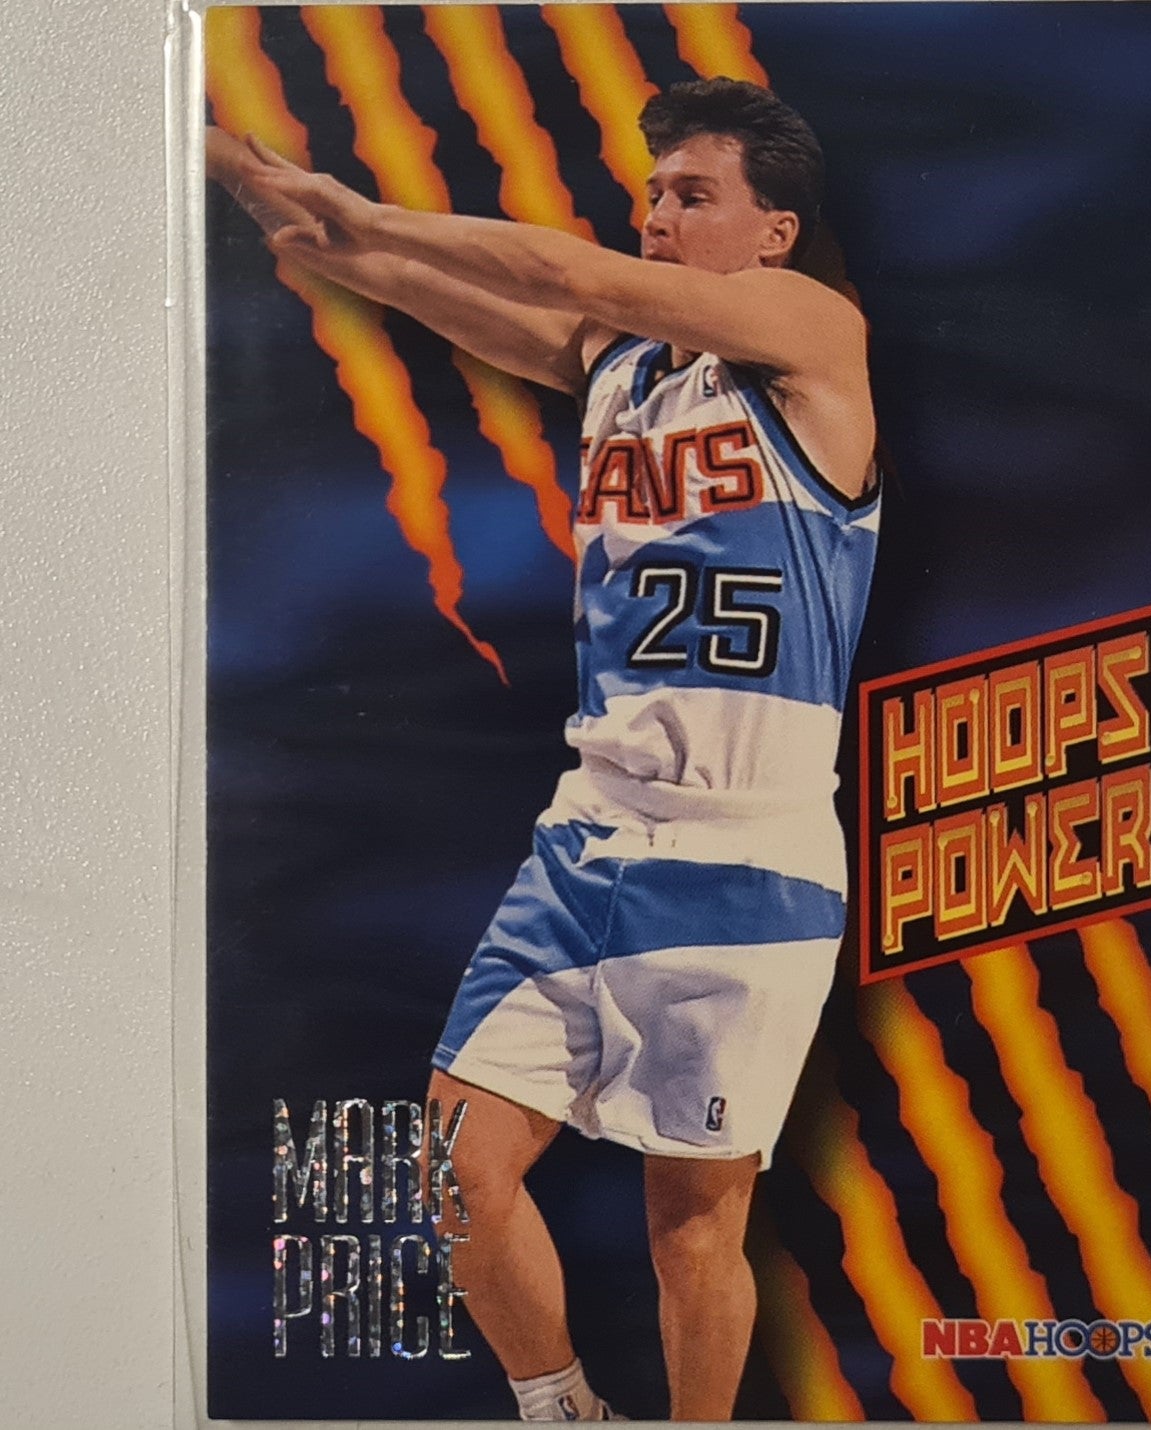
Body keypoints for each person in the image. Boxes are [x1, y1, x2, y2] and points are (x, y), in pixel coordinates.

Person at [210, 77, 878, 1421]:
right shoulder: (620, 369)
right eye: (652, 192)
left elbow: (560, 269)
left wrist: (367, 212)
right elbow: (403, 276)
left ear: (775, 231)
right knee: (455, 1165)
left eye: (691, 194)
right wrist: (269, 189)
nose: (656, 214)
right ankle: (563, 1408)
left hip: (746, 849)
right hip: (590, 831)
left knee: (694, 1222)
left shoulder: (815, 334)